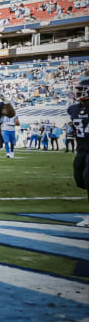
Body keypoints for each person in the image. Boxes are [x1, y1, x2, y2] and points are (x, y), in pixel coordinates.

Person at [68, 78, 89, 227]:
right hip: (82, 149)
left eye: (82, 89)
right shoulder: (73, 109)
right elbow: (76, 128)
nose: (78, 93)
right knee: (80, 178)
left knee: (88, 177)